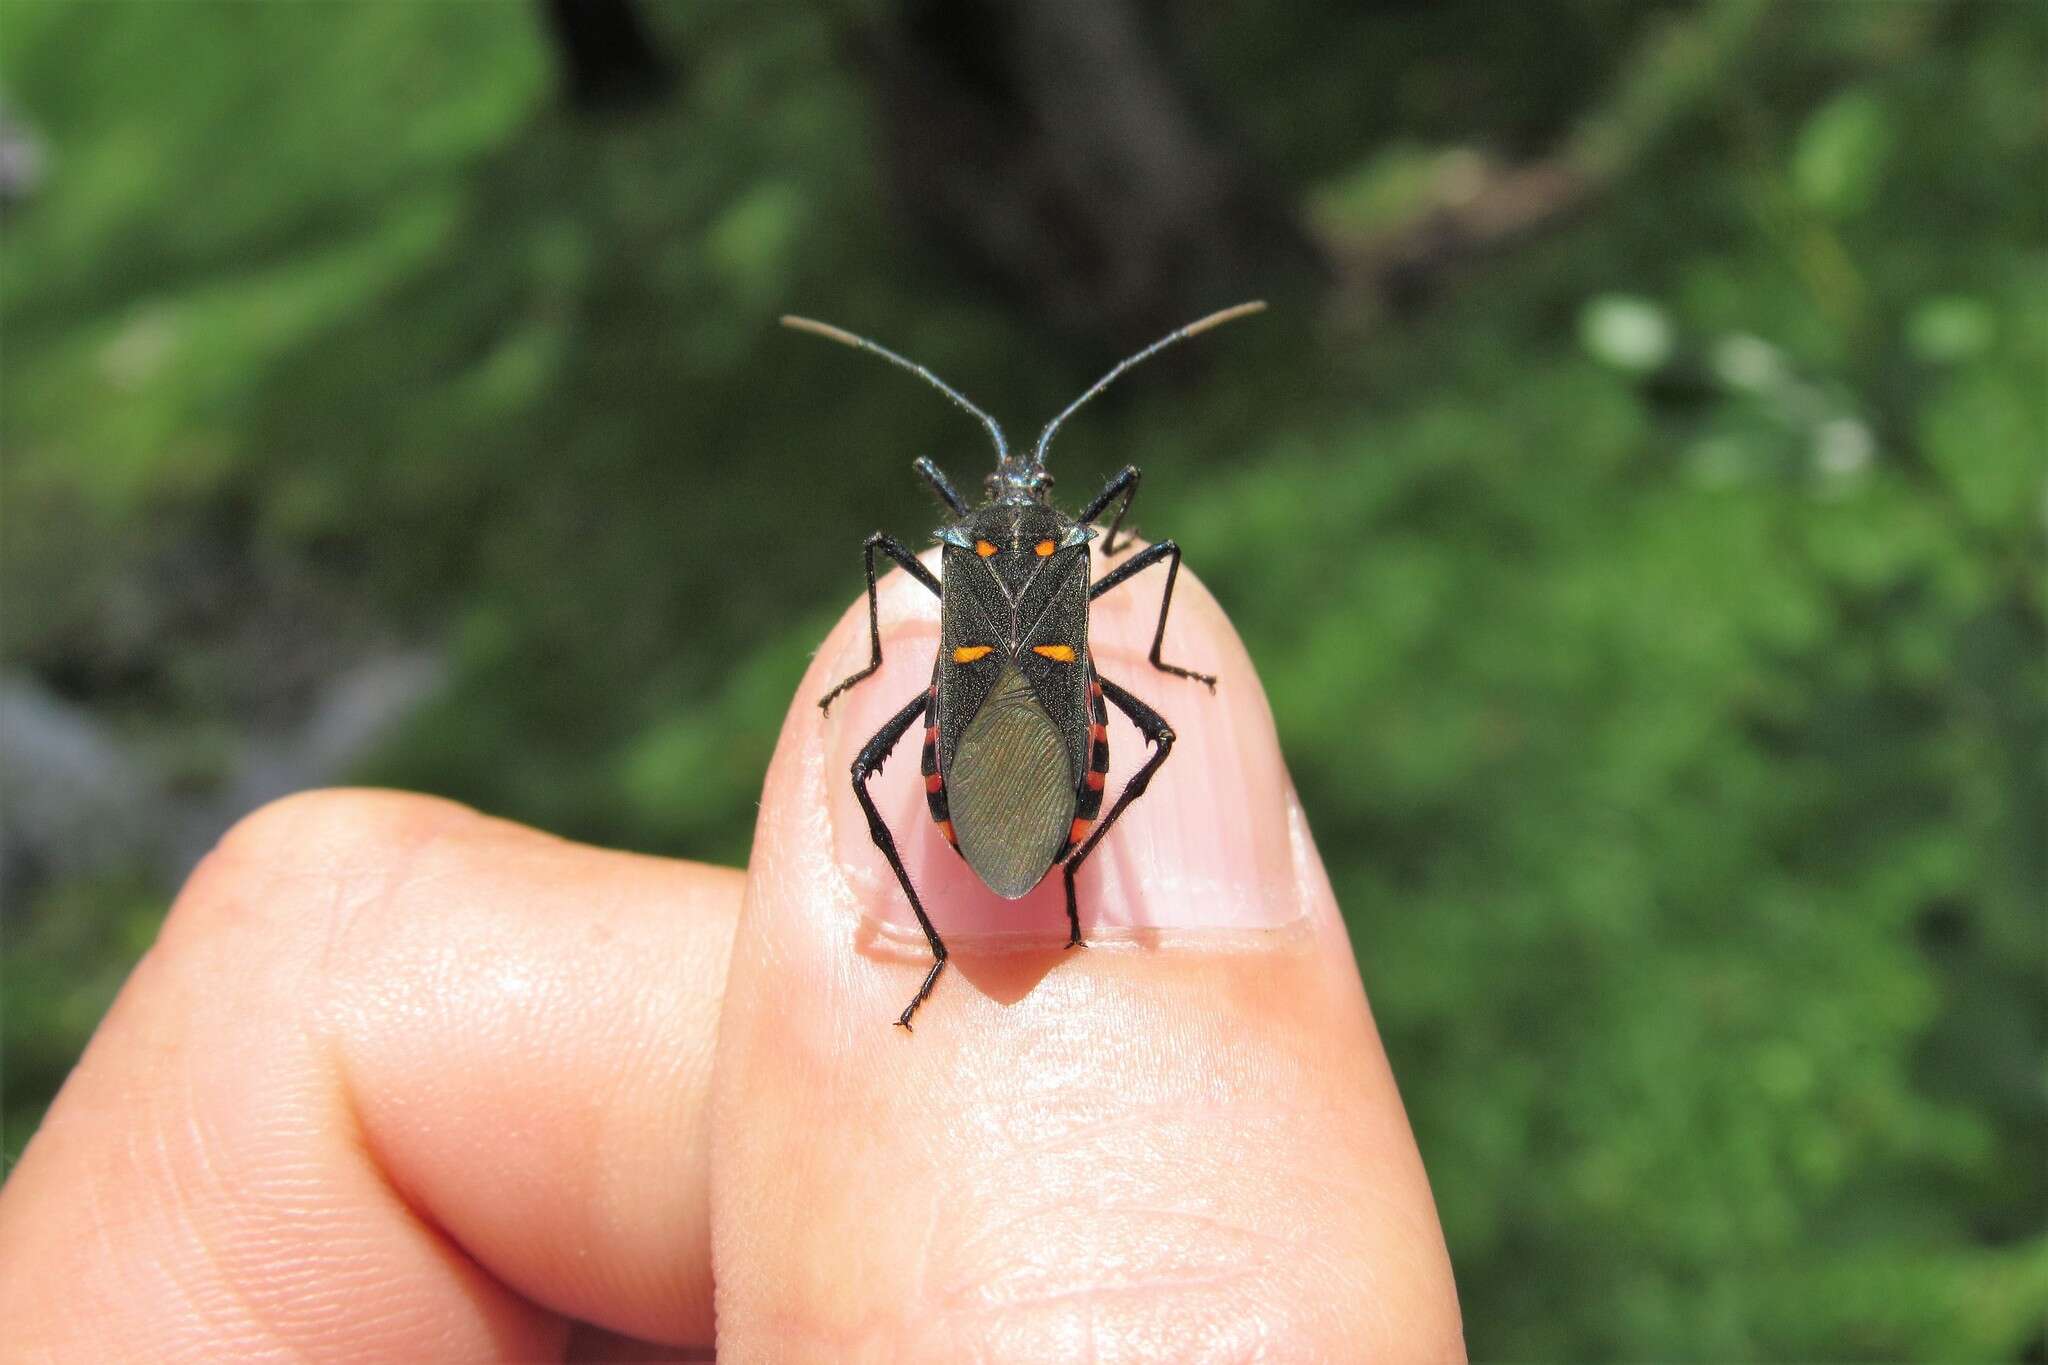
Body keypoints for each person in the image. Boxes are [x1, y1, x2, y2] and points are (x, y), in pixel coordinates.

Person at [0, 552, 1464, 1361]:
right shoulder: (1058, 586)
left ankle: (957, 911)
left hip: (987, 725)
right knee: (1103, 733)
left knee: (915, 733)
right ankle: (1032, 896)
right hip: (1041, 741)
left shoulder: (976, 578)